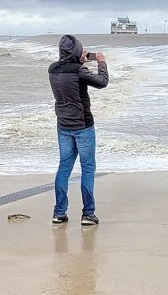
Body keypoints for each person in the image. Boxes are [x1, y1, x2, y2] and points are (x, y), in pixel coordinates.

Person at [48, 35, 109, 226]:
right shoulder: (79, 71)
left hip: (63, 125)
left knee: (64, 168)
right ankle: (88, 214)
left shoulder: (53, 69)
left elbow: (70, 74)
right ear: (76, 51)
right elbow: (102, 81)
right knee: (88, 168)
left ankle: (59, 213)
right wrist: (101, 62)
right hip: (83, 126)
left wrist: (79, 63)